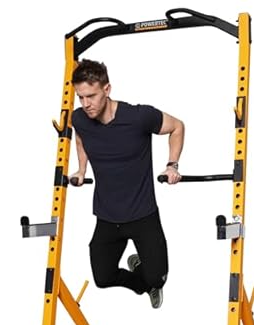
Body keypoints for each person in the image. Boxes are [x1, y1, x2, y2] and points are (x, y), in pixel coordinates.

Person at [70, 59, 184, 308]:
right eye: (80, 97)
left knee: (158, 278)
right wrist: (81, 169)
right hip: (107, 216)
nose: (86, 104)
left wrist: (172, 165)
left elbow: (177, 127)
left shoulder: (139, 116)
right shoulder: (79, 119)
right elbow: (80, 138)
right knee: (103, 278)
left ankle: (150, 278)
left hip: (143, 214)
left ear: (107, 89)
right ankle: (142, 282)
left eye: (91, 96)